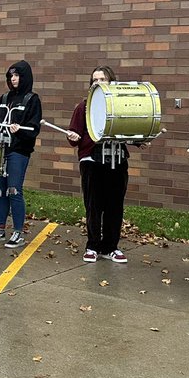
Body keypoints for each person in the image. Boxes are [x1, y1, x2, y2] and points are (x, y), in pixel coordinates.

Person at [67, 66, 131, 264]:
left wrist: (139, 140)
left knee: (114, 206)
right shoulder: (83, 107)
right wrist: (73, 136)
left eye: (102, 79)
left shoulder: (121, 106)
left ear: (111, 81)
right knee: (94, 206)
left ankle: (110, 247)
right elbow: (74, 136)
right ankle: (93, 246)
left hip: (117, 160)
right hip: (91, 161)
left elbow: (129, 130)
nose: (98, 83)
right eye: (94, 80)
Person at [0, 61, 41, 249]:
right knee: (0, 191)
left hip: (18, 152)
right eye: (11, 75)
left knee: (14, 190)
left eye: (17, 75)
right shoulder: (4, 98)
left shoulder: (32, 99)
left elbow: (34, 129)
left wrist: (19, 130)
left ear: (25, 77)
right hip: (0, 150)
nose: (13, 79)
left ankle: (18, 232)